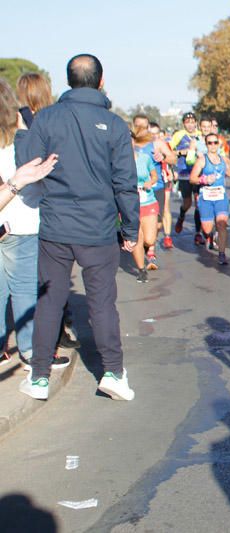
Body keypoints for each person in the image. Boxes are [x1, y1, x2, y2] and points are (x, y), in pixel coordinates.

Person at [15, 53, 138, 401]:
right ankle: (113, 372)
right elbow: (125, 183)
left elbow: (28, 167)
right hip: (98, 229)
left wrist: (25, 135)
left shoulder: (46, 119)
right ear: (100, 81)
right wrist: (130, 229)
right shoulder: (113, 125)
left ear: (68, 81)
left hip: (54, 225)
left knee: (50, 301)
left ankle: (39, 377)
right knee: (102, 303)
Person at [0, 79, 66, 373]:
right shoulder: (21, 138)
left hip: (4, 224)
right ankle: (28, 350)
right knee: (25, 289)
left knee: (1, 289)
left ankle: (3, 346)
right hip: (23, 219)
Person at [132, 115, 176, 263]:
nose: (142, 130)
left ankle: (149, 244)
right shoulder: (129, 143)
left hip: (156, 187)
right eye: (138, 126)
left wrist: (163, 156)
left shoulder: (156, 143)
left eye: (144, 127)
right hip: (134, 189)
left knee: (157, 223)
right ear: (133, 126)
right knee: (137, 221)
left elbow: (173, 158)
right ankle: (148, 250)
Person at [190, 132, 230, 265]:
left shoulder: (223, 159)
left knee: (221, 224)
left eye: (215, 142)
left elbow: (228, 171)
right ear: (206, 144)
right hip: (206, 198)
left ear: (219, 143)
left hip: (221, 197)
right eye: (210, 143)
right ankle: (210, 236)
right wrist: (204, 179)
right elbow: (192, 178)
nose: (213, 145)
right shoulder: (202, 160)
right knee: (207, 229)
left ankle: (222, 253)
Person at [170, 112, 204, 245]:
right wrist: (181, 152)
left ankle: (198, 233)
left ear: (196, 122)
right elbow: (169, 151)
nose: (190, 124)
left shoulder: (200, 135)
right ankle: (181, 216)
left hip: (198, 173)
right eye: (187, 122)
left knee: (198, 202)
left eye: (192, 122)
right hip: (184, 174)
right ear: (184, 123)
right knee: (187, 203)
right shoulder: (179, 135)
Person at [131, 126, 160, 282]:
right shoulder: (117, 161)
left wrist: (150, 181)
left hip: (148, 201)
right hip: (130, 205)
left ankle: (148, 249)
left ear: (134, 142)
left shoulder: (144, 158)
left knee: (149, 240)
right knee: (137, 237)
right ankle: (141, 269)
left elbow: (155, 175)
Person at [147, 121, 177, 249]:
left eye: (156, 134)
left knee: (164, 208)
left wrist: (163, 159)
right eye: (150, 133)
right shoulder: (140, 146)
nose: (153, 136)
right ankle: (149, 239)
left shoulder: (162, 144)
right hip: (147, 183)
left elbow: (173, 159)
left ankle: (167, 236)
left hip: (163, 179)